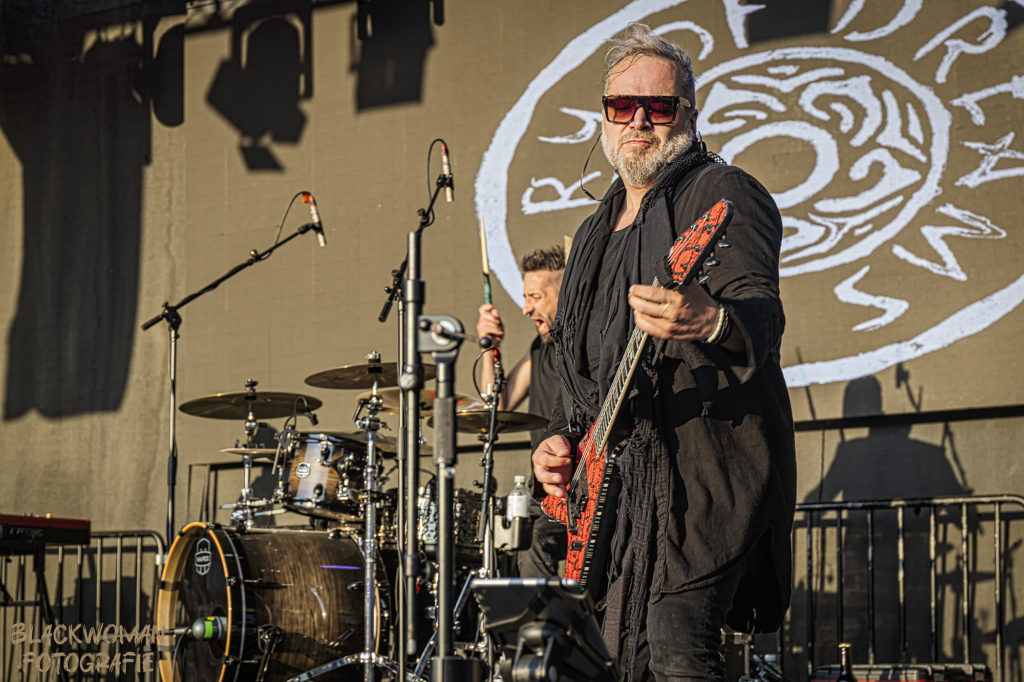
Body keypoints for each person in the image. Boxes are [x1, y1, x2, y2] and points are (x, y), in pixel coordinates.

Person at [531, 23, 796, 682]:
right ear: (604, 117)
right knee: (610, 660)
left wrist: (711, 320)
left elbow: (761, 313)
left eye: (659, 106)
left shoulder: (722, 191)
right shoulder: (591, 233)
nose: (640, 120)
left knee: (677, 643)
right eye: (623, 105)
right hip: (614, 491)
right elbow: (580, 368)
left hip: (701, 484)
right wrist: (561, 443)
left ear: (689, 116)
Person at [476, 245, 568, 577]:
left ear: (565, 293)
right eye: (525, 297)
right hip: (542, 494)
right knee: (503, 529)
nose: (526, 308)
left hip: (579, 487)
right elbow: (496, 405)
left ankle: (548, 614)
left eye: (535, 297)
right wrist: (490, 349)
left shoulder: (585, 348)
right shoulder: (538, 350)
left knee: (534, 538)